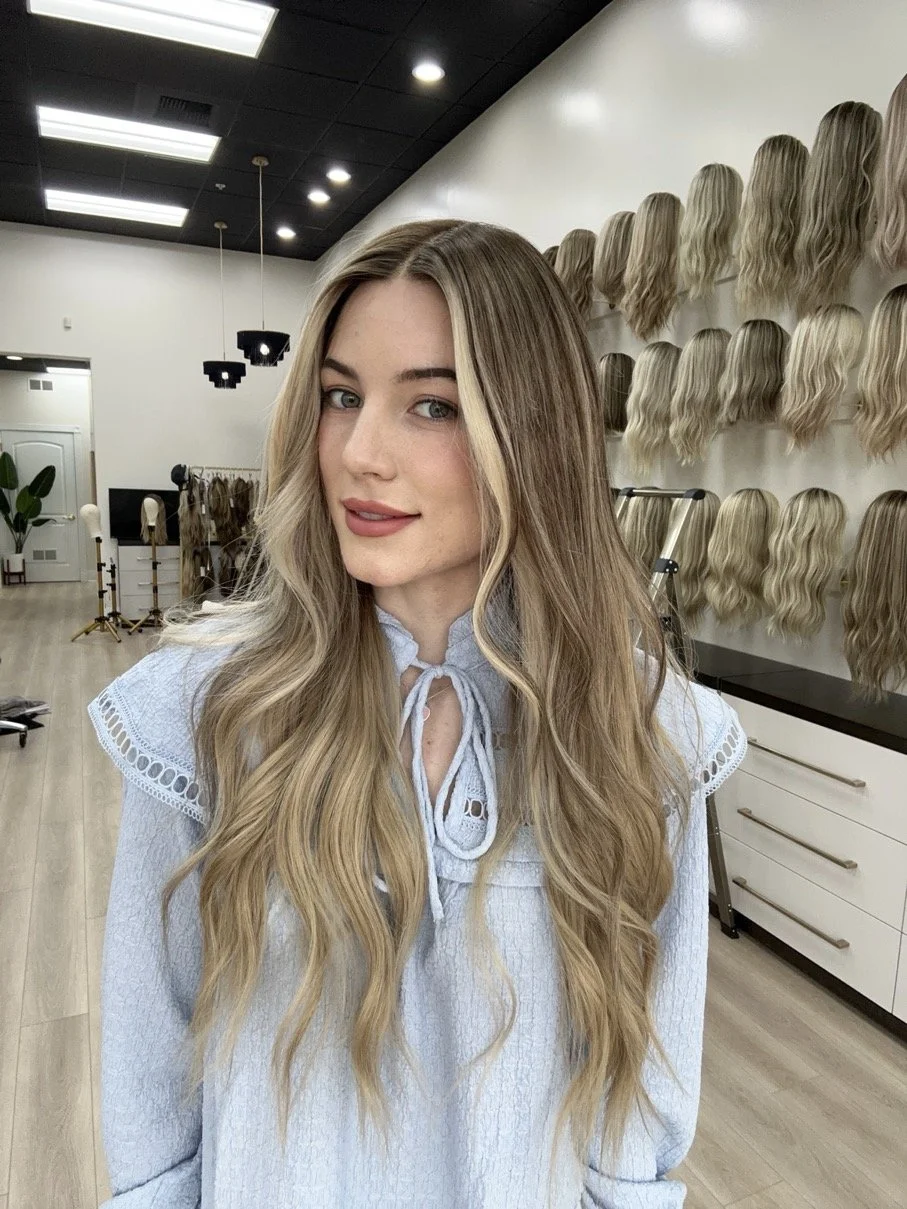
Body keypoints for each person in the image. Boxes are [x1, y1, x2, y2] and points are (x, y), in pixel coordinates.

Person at [87, 218, 747, 1208]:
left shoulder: (642, 735)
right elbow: (149, 1077)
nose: (358, 452)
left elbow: (637, 1107)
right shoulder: (205, 713)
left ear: (529, 435)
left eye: (430, 405)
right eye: (339, 396)